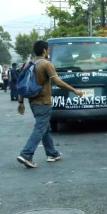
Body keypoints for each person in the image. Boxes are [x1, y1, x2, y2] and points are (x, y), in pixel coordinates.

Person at [16, 40, 84, 168]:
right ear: (44, 50)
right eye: (48, 49)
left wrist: (20, 102)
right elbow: (57, 82)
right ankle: (26, 154)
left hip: (33, 102)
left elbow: (21, 84)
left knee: (45, 127)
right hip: (43, 102)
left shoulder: (28, 64)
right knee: (40, 128)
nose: (49, 51)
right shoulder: (46, 64)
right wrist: (75, 90)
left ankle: (52, 153)